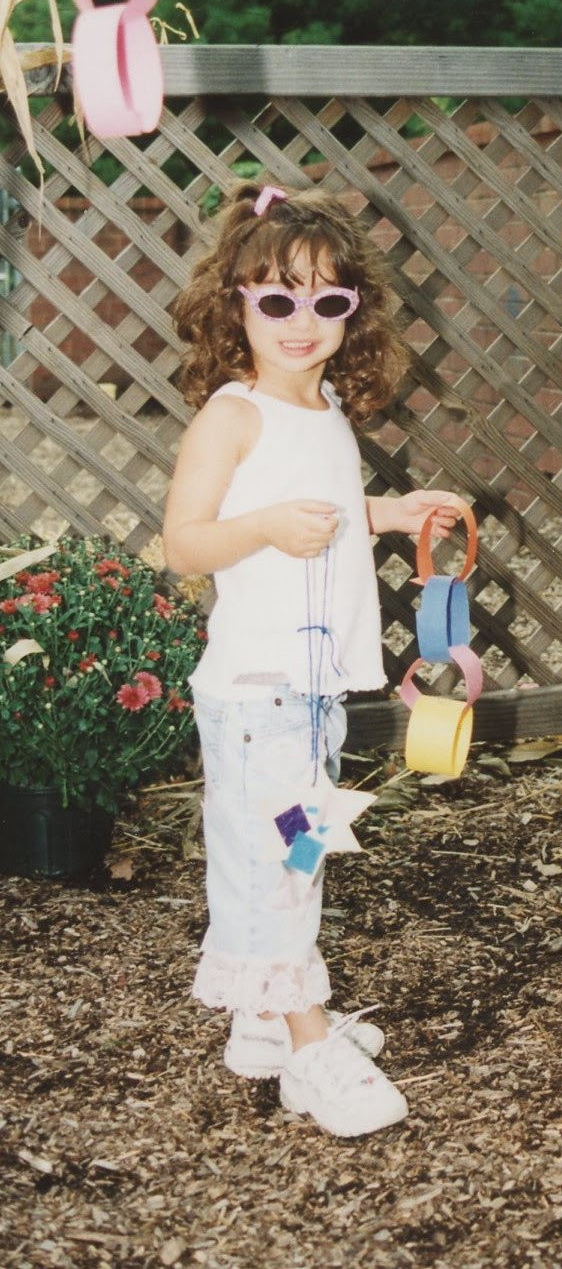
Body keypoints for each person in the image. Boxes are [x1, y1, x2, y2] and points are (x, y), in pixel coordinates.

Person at [163, 181, 466, 1134]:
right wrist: (258, 527)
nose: (302, 321)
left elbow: (324, 516)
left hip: (317, 694)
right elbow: (183, 544)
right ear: (236, 306)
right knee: (275, 868)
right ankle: (305, 1043)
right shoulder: (234, 415)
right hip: (258, 697)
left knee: (298, 848)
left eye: (328, 301)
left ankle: (261, 1020)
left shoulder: (327, 404)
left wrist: (390, 512)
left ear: (354, 314)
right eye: (277, 299)